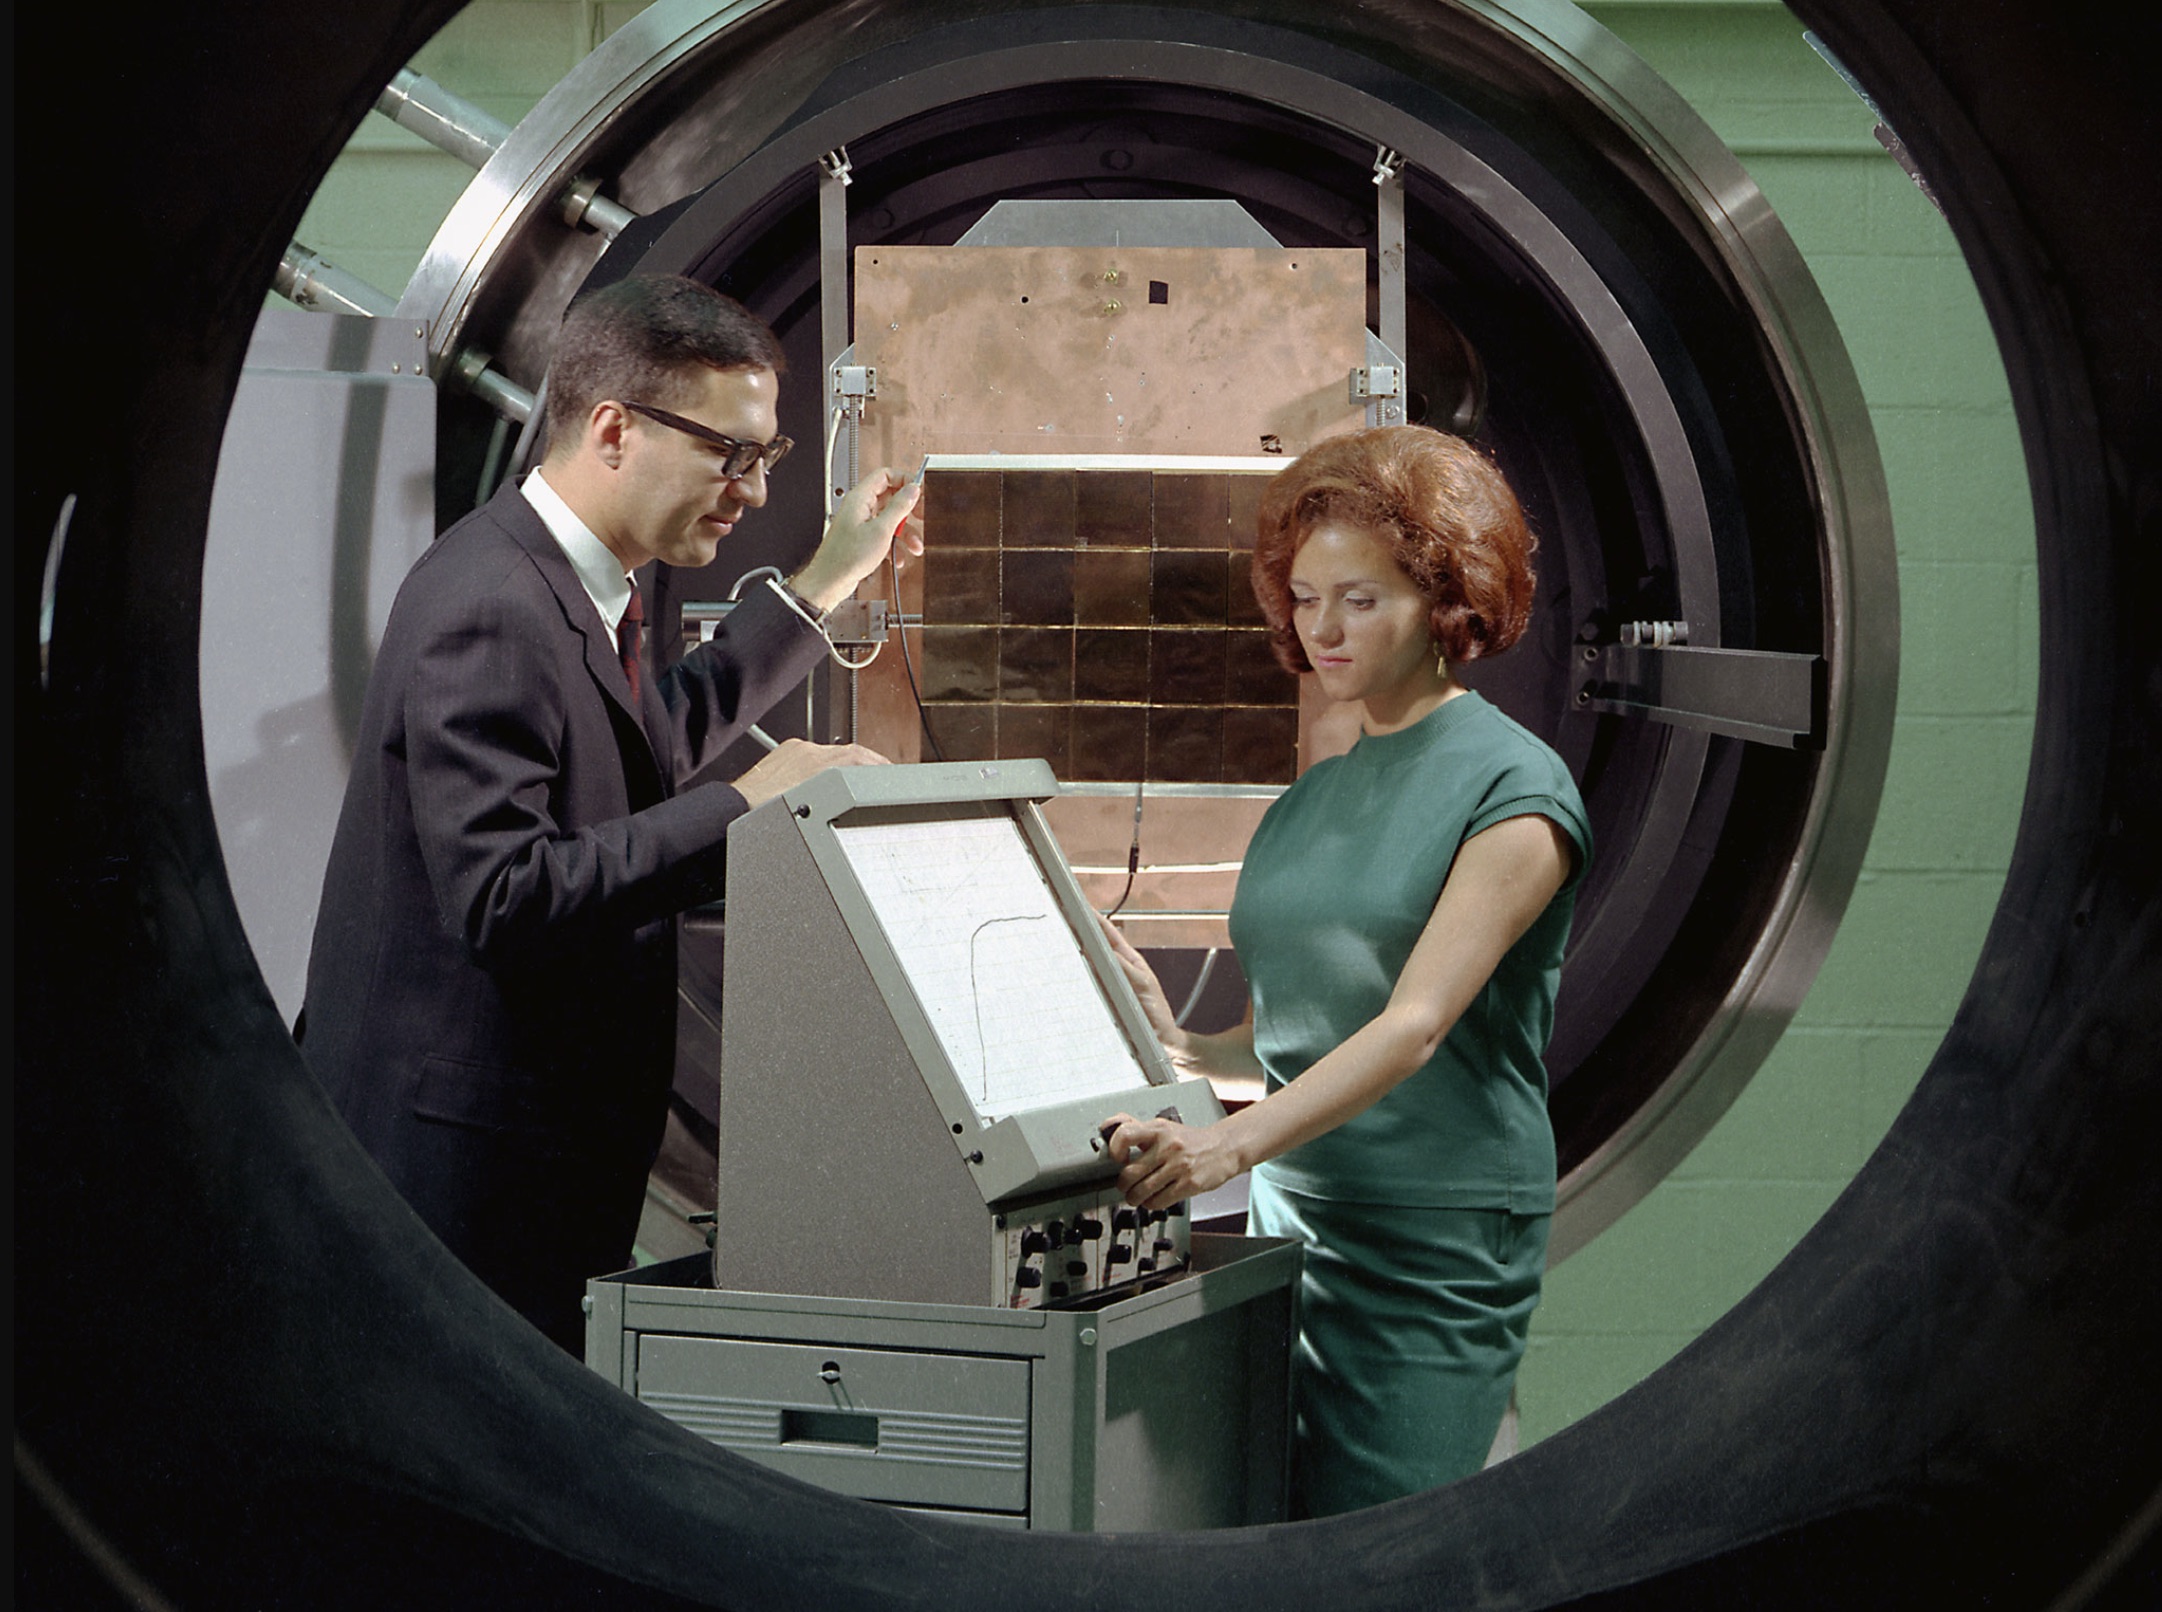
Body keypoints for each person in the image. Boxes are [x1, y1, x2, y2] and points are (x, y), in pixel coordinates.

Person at [298, 275, 921, 1351]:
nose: (751, 490)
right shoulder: (489, 606)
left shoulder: (568, 583)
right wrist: (745, 806)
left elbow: (642, 743)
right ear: (613, 428)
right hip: (460, 1170)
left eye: (763, 457)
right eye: (728, 453)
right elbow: (504, 894)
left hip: (522, 1152)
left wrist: (823, 581)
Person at [1100, 425, 1589, 1517]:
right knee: (1270, 1538)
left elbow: (1412, 1025)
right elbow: (1290, 1035)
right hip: (1292, 1215)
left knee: (1381, 1543)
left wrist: (1222, 1144)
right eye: (1305, 595)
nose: (1321, 627)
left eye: (1360, 598)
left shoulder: (1515, 785)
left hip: (1433, 1231)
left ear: (1446, 599)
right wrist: (1185, 1046)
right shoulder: (1314, 794)